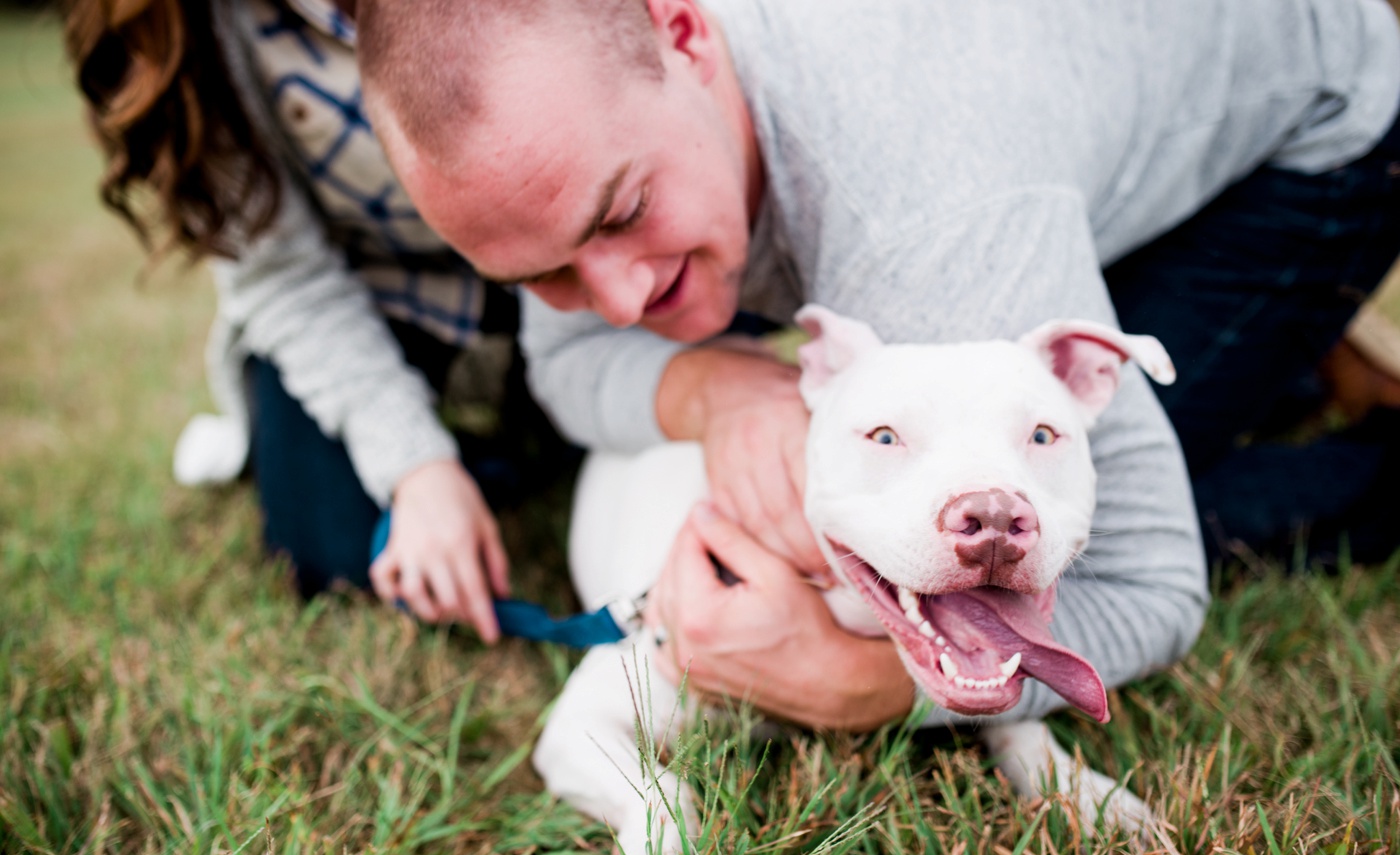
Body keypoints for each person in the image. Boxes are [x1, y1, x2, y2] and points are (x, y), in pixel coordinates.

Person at [356, 0, 1400, 729]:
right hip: (1046, 152)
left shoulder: (920, 233)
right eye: (547, 272)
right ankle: (1282, 361)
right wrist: (715, 390)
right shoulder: (587, 146)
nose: (621, 300)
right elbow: (570, 359)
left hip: (1316, 137)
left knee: (1051, 520)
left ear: (682, 31)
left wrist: (866, 682)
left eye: (625, 212)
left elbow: (1150, 583)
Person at [61, 0, 572, 640]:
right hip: (376, 296)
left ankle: (525, 446)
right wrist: (419, 467)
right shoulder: (187, 35)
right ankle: (465, 462)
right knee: (333, 553)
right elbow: (282, 276)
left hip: (554, 262)